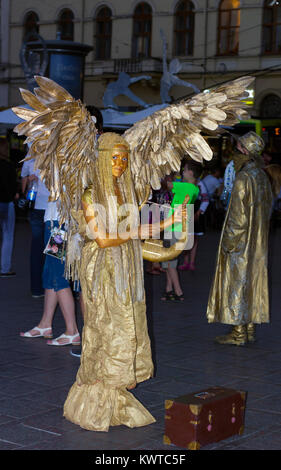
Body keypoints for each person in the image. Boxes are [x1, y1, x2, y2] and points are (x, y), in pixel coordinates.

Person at [207, 131, 273, 345]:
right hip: (258, 241)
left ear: (245, 151)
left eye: (239, 148)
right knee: (251, 283)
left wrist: (228, 243)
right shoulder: (262, 176)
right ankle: (250, 327)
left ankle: (238, 333)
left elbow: (238, 218)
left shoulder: (244, 177)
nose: (236, 151)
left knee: (237, 282)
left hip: (242, 242)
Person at [20, 198, 80, 345]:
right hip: (56, 221)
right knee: (49, 273)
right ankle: (45, 324)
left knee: (58, 276)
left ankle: (72, 331)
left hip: (59, 224)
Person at [21, 152, 50, 297]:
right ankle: (56, 287)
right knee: (56, 252)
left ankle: (37, 288)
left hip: (38, 207)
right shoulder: (61, 145)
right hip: (54, 210)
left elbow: (24, 177)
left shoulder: (33, 149)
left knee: (37, 248)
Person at [178, 159, 209, 271]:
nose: (182, 171)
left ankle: (191, 262)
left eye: (184, 169)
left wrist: (199, 212)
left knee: (194, 238)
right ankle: (186, 260)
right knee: (185, 237)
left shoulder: (200, 184)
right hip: (185, 211)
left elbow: (205, 199)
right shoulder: (182, 183)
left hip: (195, 211)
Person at [0, 137, 18, 277]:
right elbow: (13, 187)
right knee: (7, 236)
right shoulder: (9, 165)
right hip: (7, 202)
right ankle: (5, 268)